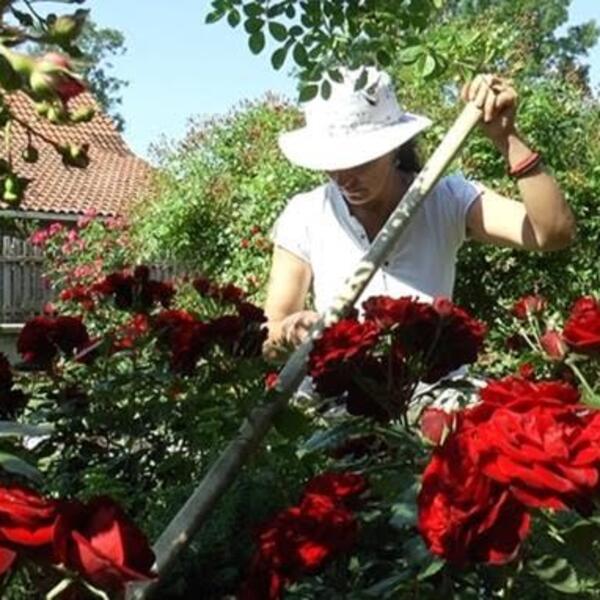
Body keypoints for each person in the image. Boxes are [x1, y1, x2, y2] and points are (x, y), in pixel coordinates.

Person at [264, 67, 576, 351]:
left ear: (393, 148)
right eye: (331, 162)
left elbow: (552, 233)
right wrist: (290, 330)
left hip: (435, 386)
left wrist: (507, 137)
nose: (343, 177)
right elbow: (272, 330)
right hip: (340, 390)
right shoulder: (305, 214)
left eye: (359, 162)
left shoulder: (447, 199)